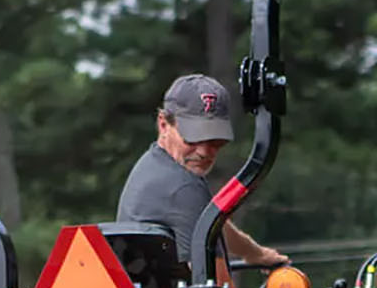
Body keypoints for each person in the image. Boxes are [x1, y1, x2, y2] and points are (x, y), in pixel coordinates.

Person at [116, 73, 289, 272]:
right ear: (163, 124)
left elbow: (210, 221)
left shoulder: (154, 166)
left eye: (215, 141)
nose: (205, 152)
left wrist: (255, 253)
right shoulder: (183, 188)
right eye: (193, 139)